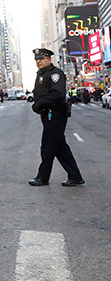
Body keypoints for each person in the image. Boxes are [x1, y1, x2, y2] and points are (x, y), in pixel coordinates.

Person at [29, 48, 84, 187]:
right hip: (47, 114)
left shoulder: (55, 74)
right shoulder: (42, 74)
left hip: (55, 113)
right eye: (37, 59)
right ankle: (75, 176)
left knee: (48, 146)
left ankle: (43, 177)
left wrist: (39, 104)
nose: (39, 61)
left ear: (49, 59)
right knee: (59, 146)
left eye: (42, 59)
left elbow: (57, 94)